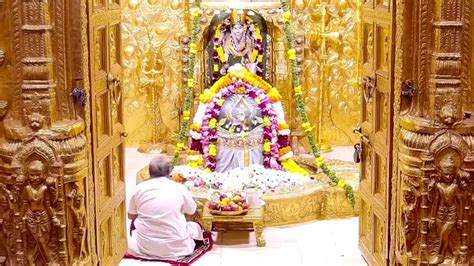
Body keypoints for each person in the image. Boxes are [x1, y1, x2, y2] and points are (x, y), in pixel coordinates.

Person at [127, 155, 204, 260]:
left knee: (134, 223)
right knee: (195, 227)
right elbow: (191, 211)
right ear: (169, 172)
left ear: (149, 173)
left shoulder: (139, 188)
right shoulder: (180, 188)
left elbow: (131, 215)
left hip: (145, 246)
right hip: (177, 247)